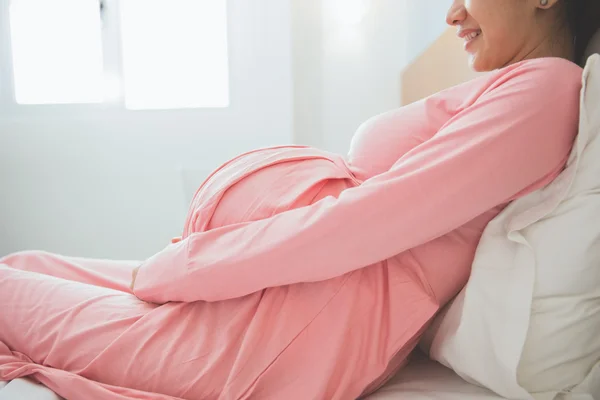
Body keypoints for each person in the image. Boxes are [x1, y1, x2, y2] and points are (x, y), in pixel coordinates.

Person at [1, 1, 599, 399]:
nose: (451, 13)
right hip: (291, 304)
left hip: (296, 330)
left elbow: (370, 222)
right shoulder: (519, 88)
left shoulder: (548, 86)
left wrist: (183, 268)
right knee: (23, 266)